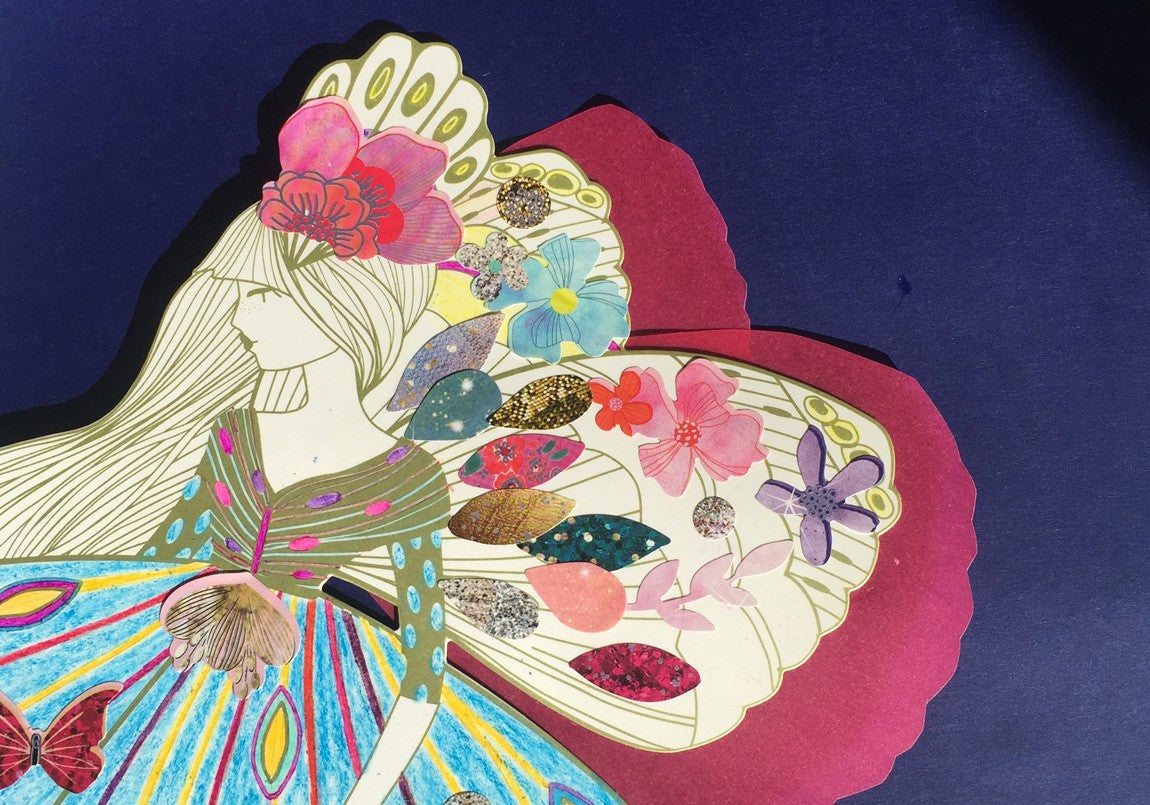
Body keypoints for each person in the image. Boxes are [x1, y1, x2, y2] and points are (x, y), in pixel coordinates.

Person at [0, 34, 900, 803]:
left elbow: (422, 674)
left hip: (305, 710)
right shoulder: (234, 431)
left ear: (333, 320)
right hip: (149, 662)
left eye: (264, 298)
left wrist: (360, 790)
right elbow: (155, 561)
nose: (241, 317)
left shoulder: (405, 481)